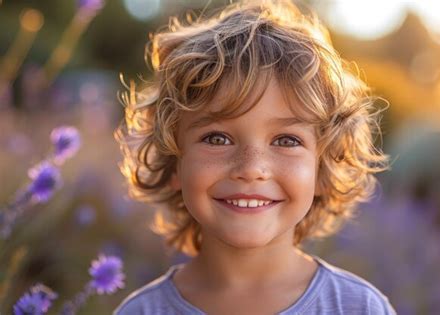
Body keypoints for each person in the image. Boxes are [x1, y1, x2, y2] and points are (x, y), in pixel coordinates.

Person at [114, 0, 396, 314]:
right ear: (174, 162)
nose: (251, 169)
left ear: (322, 169)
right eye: (217, 138)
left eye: (286, 140)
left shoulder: (358, 308)